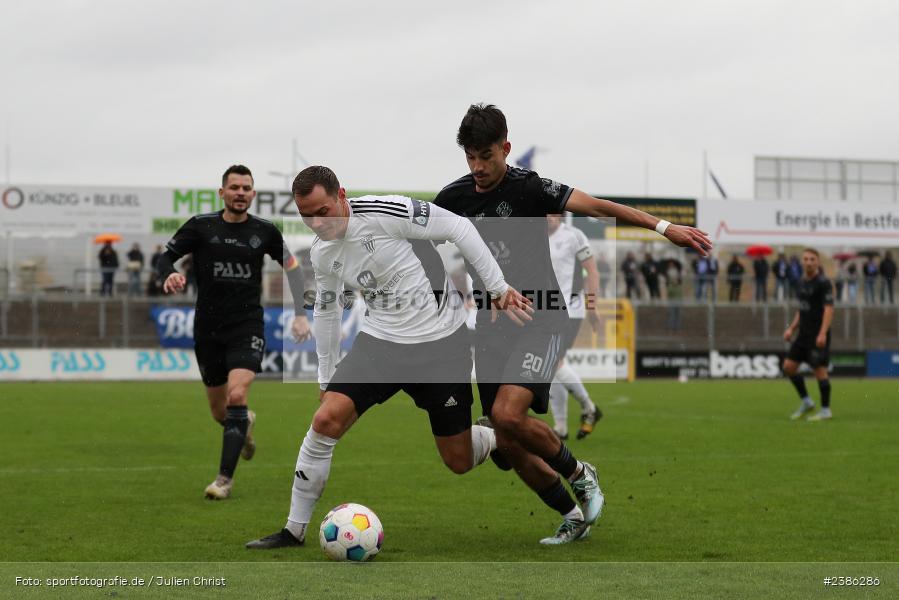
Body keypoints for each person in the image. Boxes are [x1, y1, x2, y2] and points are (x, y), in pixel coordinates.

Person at [434, 104, 712, 544]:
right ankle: (571, 515)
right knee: (507, 442)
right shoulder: (453, 199)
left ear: (506, 148)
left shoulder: (530, 188)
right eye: (470, 157)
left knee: (507, 414)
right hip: (491, 328)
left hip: (541, 319)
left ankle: (581, 473)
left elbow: (598, 206)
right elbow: (416, 242)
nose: (478, 167)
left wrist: (663, 226)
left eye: (486, 155)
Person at [246, 165, 531, 549]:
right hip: (380, 344)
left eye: (323, 211)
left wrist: (497, 287)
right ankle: (293, 530)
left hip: (441, 345)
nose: (316, 223)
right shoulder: (323, 251)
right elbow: (328, 310)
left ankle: (494, 437)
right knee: (326, 418)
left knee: (458, 460)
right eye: (306, 215)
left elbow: (461, 228)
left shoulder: (386, 212)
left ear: (341, 195)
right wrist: (326, 376)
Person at [156, 165, 310, 500]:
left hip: (247, 326)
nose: (240, 193)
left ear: (252, 195)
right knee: (220, 413)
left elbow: (294, 271)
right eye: (234, 187)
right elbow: (164, 258)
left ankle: (224, 480)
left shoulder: (265, 231)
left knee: (237, 396)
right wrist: (167, 274)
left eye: (246, 188)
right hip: (208, 329)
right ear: (222, 192)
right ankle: (245, 425)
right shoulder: (201, 227)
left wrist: (300, 314)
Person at [545, 214, 601, 442]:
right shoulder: (534, 237)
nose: (549, 218)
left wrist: (592, 306)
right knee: (551, 368)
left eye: (553, 214)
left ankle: (588, 408)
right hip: (545, 310)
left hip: (570, 309)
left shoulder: (574, 236)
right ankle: (561, 426)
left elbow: (592, 271)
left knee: (554, 363)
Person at [783, 248, 834, 421]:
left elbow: (829, 310)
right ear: (802, 262)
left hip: (817, 334)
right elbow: (802, 309)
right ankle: (806, 401)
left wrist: (822, 333)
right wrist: (792, 328)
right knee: (789, 367)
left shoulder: (824, 283)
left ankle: (826, 410)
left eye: (812, 259)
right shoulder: (801, 282)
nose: (809, 262)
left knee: (819, 371)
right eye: (806, 259)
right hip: (803, 334)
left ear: (818, 262)